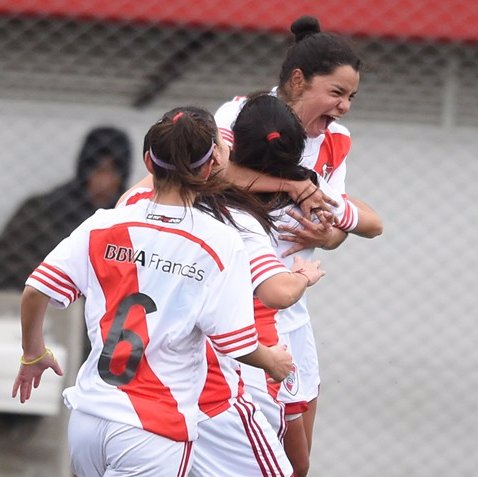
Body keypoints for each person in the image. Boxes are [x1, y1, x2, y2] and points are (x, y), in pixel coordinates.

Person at [11, 109, 293, 477]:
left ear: (147, 161)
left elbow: (35, 290)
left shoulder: (105, 222)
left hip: (88, 417)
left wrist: (33, 352)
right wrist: (274, 362)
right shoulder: (219, 241)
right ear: (209, 168)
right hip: (153, 427)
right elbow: (235, 344)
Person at [214, 16, 383, 476]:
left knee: (299, 458)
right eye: (336, 93)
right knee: (249, 452)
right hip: (235, 304)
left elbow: (342, 219)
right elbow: (208, 174)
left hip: (291, 303)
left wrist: (332, 233)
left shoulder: (336, 139)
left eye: (351, 97)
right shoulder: (240, 115)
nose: (345, 106)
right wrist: (291, 187)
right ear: (296, 80)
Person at [118, 106, 324, 477]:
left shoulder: (133, 209)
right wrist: (305, 276)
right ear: (215, 158)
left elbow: (151, 180)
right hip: (233, 385)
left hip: (144, 391)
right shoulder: (236, 224)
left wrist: (188, 156)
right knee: (296, 464)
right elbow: (277, 292)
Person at [0, 126, 132, 291]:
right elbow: (9, 263)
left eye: (112, 172)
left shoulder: (132, 218)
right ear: (84, 170)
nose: (103, 182)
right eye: (98, 170)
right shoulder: (41, 212)